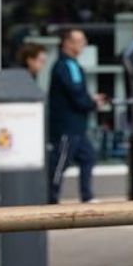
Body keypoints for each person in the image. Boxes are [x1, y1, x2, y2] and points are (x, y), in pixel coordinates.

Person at [46, 27, 106, 204]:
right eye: (80, 41)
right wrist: (92, 103)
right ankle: (51, 201)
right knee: (60, 163)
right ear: (67, 43)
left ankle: (87, 196)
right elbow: (76, 95)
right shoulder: (64, 66)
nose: (84, 45)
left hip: (77, 127)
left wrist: (90, 99)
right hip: (66, 127)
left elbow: (78, 92)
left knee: (88, 156)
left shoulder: (73, 65)